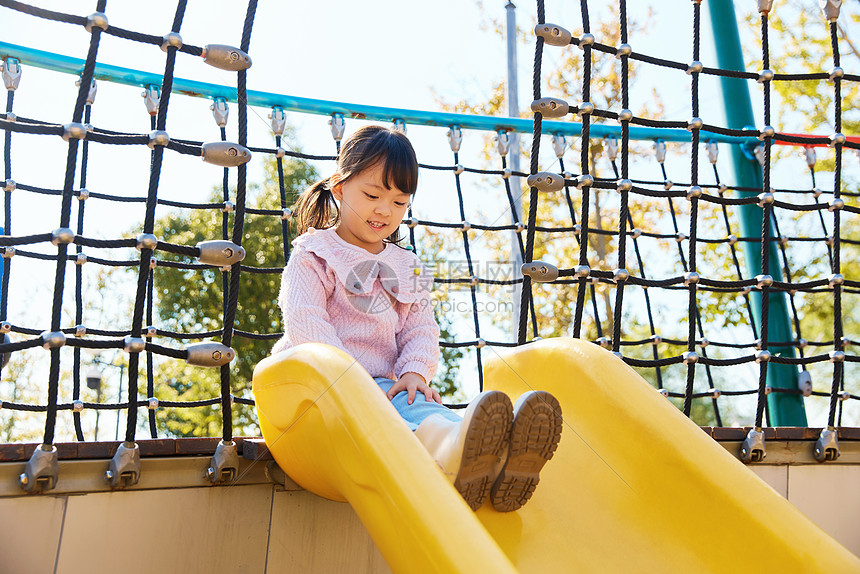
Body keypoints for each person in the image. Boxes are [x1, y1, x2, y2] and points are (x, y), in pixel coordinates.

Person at [272, 124, 562, 512]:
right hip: (319, 390)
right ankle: (454, 453)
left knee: (421, 406)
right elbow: (306, 323)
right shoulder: (314, 253)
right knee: (392, 419)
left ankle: (487, 457)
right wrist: (347, 379)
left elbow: (421, 328)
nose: (384, 210)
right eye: (373, 195)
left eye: (399, 202)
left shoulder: (406, 265)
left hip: (384, 387)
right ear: (340, 187)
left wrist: (414, 372)